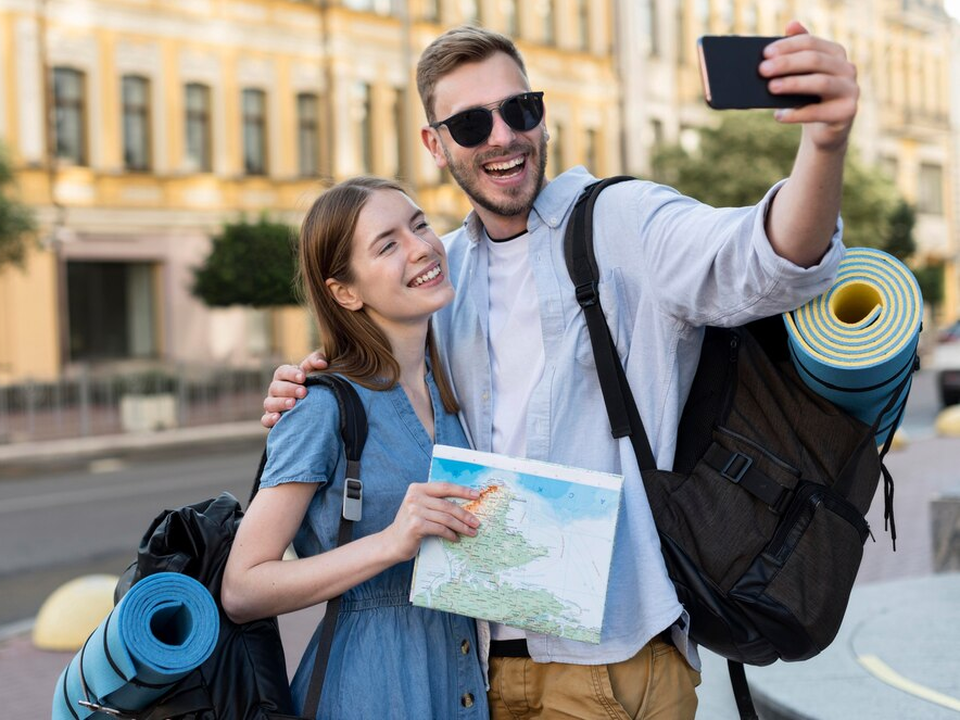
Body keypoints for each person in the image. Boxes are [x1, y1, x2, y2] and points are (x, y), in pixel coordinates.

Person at [261, 22, 859, 719]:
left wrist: (825, 143)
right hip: (483, 669)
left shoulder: (619, 222)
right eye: (470, 121)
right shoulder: (439, 277)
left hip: (615, 661)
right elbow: (377, 381)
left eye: (520, 110)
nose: (502, 136)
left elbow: (765, 260)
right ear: (435, 143)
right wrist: (306, 390)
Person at [221, 177, 490, 719]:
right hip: (370, 689)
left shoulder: (454, 390)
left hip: (461, 680)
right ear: (346, 291)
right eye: (387, 244)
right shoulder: (320, 407)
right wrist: (393, 542)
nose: (421, 247)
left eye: (418, 224)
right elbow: (242, 587)